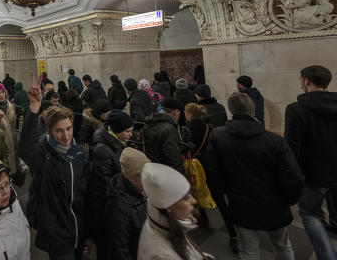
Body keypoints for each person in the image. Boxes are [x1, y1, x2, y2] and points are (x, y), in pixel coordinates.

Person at [208, 92, 304, 260]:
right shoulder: (274, 141)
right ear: (253, 110)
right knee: (282, 246)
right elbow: (293, 177)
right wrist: (288, 200)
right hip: (274, 203)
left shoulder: (218, 135)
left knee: (249, 251)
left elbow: (212, 170)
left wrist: (224, 192)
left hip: (240, 203)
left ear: (231, 110)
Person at [19, 73, 91, 259]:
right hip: (57, 233)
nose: (66, 136)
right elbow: (26, 149)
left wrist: (88, 234)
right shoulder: (44, 154)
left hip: (78, 231)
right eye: (59, 131)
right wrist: (34, 107)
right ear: (49, 131)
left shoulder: (81, 154)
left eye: (69, 129)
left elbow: (86, 196)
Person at [285, 65, 337, 260]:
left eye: (301, 79)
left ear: (306, 81)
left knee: (309, 213)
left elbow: (292, 147)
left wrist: (293, 176)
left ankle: (327, 256)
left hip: (314, 175)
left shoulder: (296, 109)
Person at [138, 163, 212, 260]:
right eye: (186, 198)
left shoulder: (163, 223)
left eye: (190, 194)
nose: (194, 201)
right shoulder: (162, 256)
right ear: (168, 206)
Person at [90, 109, 135, 260]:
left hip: (111, 202)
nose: (131, 134)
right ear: (116, 130)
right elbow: (104, 185)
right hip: (105, 208)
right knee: (106, 248)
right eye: (128, 131)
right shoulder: (102, 150)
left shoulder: (115, 141)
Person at [105, 147, 150, 260]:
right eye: (143, 175)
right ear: (131, 176)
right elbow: (119, 249)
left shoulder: (141, 191)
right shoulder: (118, 206)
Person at [143, 98, 184, 174]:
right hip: (166, 174)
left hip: (152, 170)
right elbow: (173, 159)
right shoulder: (169, 129)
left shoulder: (149, 123)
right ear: (175, 112)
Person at [0, 83, 19, 178]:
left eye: (2, 92)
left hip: (11, 138)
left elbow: (13, 124)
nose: (1, 95)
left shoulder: (10, 105)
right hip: (0, 141)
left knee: (12, 162)